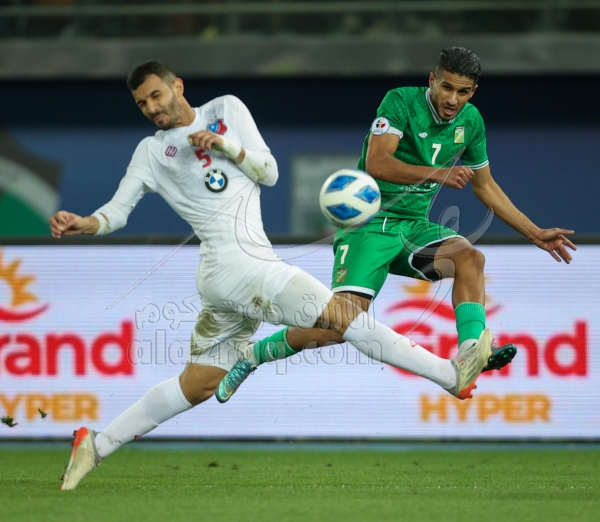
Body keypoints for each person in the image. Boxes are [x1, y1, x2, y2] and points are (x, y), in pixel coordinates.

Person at [51, 60, 493, 490]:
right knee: (345, 318)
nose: (151, 107)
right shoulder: (151, 152)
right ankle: (448, 375)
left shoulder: (226, 109)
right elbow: (116, 213)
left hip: (233, 273)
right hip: (236, 266)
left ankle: (97, 444)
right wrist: (85, 223)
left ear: (177, 87)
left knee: (199, 384)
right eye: (141, 103)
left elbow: (269, 171)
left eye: (155, 95)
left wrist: (225, 146)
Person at [215, 46, 576, 403]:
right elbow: (378, 162)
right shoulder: (400, 101)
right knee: (341, 325)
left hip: (414, 228)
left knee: (470, 259)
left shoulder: (472, 122)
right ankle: (252, 355)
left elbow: (485, 187)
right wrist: (439, 173)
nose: (453, 99)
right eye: (447, 87)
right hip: (368, 226)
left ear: (473, 91)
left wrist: (535, 233)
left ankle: (469, 353)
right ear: (432, 80)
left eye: (463, 91)